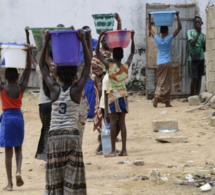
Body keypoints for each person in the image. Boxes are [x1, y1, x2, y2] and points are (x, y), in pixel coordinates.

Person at [39, 29, 91, 194]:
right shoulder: (76, 91)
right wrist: (83, 40)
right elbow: (88, 65)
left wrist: (46, 41)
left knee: (55, 178)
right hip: (71, 135)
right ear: (75, 73)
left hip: (55, 136)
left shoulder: (54, 89)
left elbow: (41, 65)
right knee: (73, 178)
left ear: (58, 73)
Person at [96, 30, 135, 157]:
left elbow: (97, 54)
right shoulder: (125, 66)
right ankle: (124, 149)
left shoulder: (110, 66)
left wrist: (101, 36)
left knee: (113, 122)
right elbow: (133, 53)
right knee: (122, 123)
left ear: (113, 55)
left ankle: (113, 150)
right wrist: (132, 38)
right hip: (123, 94)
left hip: (113, 95)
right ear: (122, 55)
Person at [0, 45, 31, 191]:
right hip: (18, 118)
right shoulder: (21, 88)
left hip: (7, 119)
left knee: (8, 153)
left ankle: (10, 184)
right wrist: (29, 54)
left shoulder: (3, 89)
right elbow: (27, 75)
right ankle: (19, 171)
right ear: (17, 77)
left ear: (5, 77)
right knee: (18, 149)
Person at [93, 13, 122, 154]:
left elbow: (118, 40)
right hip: (104, 89)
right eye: (104, 40)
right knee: (108, 121)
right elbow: (94, 69)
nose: (106, 42)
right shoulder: (102, 57)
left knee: (110, 122)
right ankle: (103, 146)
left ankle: (104, 146)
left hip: (111, 90)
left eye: (107, 40)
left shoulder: (111, 57)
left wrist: (119, 23)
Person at [148, 11, 182, 107]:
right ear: (167, 31)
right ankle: (165, 101)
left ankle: (158, 97)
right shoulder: (169, 38)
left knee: (160, 81)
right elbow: (179, 28)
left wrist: (150, 17)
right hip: (167, 62)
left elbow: (150, 29)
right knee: (167, 82)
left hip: (159, 63)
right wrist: (177, 16)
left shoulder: (158, 39)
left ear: (161, 32)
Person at [187, 16, 206, 96]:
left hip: (201, 58)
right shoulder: (190, 32)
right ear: (194, 24)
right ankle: (192, 96)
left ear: (201, 24)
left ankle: (197, 95)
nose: (197, 24)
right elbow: (192, 43)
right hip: (193, 58)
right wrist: (198, 34)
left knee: (199, 78)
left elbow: (204, 48)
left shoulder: (203, 35)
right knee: (194, 77)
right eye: (196, 22)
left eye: (199, 22)